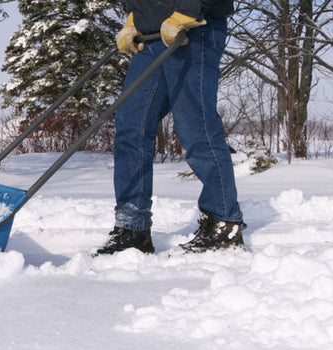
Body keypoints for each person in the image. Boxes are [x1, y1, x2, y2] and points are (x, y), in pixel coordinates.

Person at [96, 0, 246, 255]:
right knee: (131, 127)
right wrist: (134, 16)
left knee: (195, 124)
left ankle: (224, 221)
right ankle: (133, 226)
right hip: (151, 35)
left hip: (193, 27)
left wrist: (189, 9)